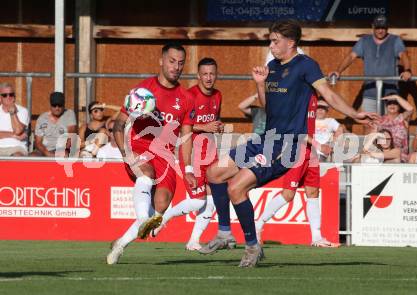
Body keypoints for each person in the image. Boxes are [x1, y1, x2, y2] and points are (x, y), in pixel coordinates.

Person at [201, 20, 378, 267]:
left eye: (275, 41)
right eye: (270, 41)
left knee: (236, 189)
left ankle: (252, 246)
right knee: (214, 172)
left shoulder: (306, 66)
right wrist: (260, 84)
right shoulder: (271, 66)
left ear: (291, 42)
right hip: (266, 138)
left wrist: (354, 113)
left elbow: (328, 93)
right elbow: (266, 105)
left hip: (287, 146)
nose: (271, 45)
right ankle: (224, 232)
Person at [106, 43, 197, 265]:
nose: (176, 66)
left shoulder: (186, 98)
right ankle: (142, 218)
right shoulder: (142, 91)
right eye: (172, 61)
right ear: (161, 61)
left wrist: (189, 169)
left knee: (161, 207)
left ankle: (120, 243)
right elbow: (118, 126)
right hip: (139, 147)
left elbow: (186, 138)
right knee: (145, 175)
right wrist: (127, 154)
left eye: (180, 62)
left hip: (165, 157)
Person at [150, 57, 224, 251]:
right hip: (192, 153)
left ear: (216, 75)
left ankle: (193, 241)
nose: (208, 78)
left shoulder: (217, 95)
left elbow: (213, 120)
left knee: (212, 200)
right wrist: (204, 126)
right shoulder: (189, 96)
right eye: (205, 74)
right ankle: (164, 218)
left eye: (212, 74)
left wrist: (217, 126)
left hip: (211, 152)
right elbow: (183, 127)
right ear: (198, 76)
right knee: (198, 200)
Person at [329, 15, 411, 114]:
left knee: (389, 125)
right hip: (369, 92)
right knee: (369, 125)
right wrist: (338, 71)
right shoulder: (364, 40)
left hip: (390, 93)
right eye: (377, 28)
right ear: (372, 27)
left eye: (383, 28)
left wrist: (407, 71)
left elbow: (404, 55)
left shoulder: (395, 40)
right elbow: (351, 56)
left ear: (387, 27)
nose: (380, 30)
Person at [32, 92, 77, 157]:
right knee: (32, 156)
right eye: (54, 105)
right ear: (50, 105)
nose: (57, 108)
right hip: (44, 150)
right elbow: (38, 142)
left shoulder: (69, 114)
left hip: (62, 149)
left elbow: (71, 135)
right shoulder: (42, 118)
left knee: (65, 156)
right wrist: (46, 153)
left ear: (64, 105)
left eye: (60, 105)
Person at [374, 94, 413, 162]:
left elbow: (410, 109)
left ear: (399, 106)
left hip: (400, 157)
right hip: (383, 155)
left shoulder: (402, 118)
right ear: (386, 106)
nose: (392, 105)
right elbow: (374, 139)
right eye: (389, 103)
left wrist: (396, 97)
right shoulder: (380, 120)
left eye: (395, 103)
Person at [0, 82, 29, 156]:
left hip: (16, 147)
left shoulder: (23, 111)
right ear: (0, 98)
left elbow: (18, 131)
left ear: (14, 97)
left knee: (17, 156)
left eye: (11, 94)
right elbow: (16, 134)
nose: (8, 97)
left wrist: (12, 113)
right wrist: (14, 136)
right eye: (4, 95)